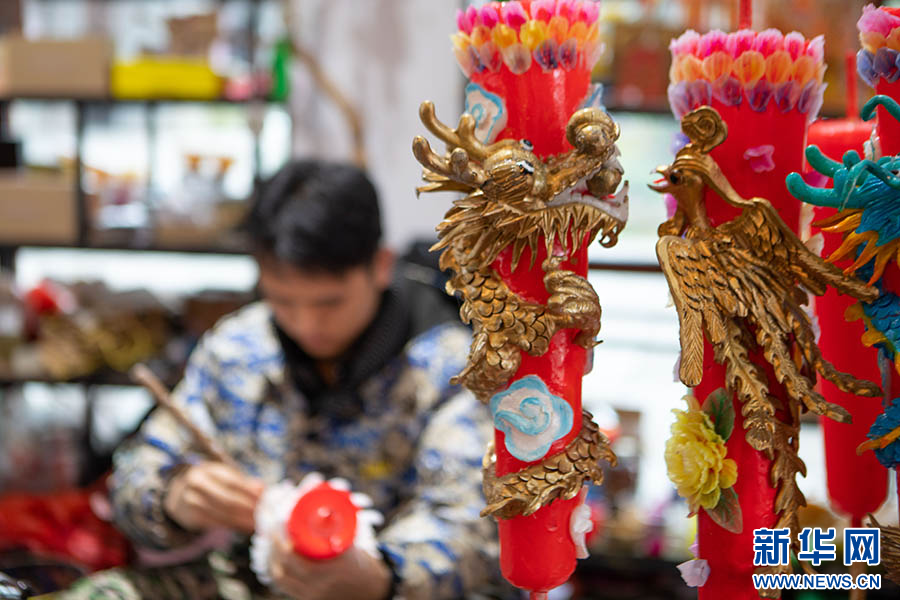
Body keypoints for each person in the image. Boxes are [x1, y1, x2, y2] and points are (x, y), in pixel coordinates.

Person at [62, 160, 503, 600]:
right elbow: (135, 475)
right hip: (255, 583)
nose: (307, 323)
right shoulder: (240, 348)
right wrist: (174, 497)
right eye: (283, 300)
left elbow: (472, 523)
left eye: (329, 303)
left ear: (380, 265)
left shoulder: (451, 366)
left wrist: (383, 574)